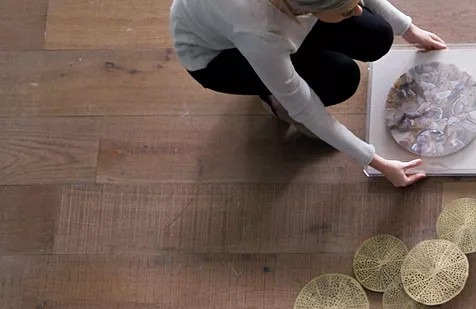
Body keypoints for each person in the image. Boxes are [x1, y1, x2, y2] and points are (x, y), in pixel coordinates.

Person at [170, 0, 447, 186]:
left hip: (279, 18)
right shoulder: (260, 34)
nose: (359, 10)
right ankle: (273, 97)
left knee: (377, 34)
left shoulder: (307, 3)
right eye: (347, 11)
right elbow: (307, 108)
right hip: (220, 57)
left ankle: (297, 58)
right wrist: (377, 162)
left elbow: (352, 10)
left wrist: (408, 29)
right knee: (342, 78)